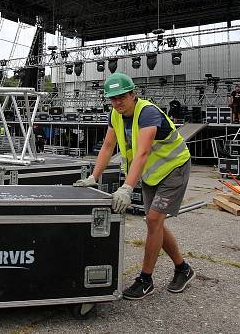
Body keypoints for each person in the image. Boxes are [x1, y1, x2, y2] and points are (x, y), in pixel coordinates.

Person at [73, 72, 194, 299]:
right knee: (154, 222)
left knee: (153, 220)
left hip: (174, 169)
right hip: (151, 173)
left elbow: (143, 152)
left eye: (121, 97)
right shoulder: (115, 115)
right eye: (113, 98)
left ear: (132, 94)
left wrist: (127, 188)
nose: (117, 102)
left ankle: (145, 279)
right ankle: (183, 268)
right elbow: (108, 147)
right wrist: (93, 177)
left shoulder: (147, 113)